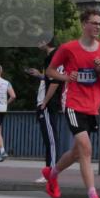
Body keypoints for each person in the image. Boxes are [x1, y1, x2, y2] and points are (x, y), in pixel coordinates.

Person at [42, 8, 100, 198]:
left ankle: (52, 174)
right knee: (86, 148)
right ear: (84, 24)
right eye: (94, 23)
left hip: (93, 106)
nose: (97, 27)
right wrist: (67, 78)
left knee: (77, 153)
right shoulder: (68, 48)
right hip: (73, 103)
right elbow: (50, 72)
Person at [27, 39, 62, 175]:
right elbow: (50, 79)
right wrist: (40, 75)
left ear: (47, 42)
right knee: (48, 139)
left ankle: (52, 172)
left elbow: (55, 81)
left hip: (47, 103)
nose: (37, 43)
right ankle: (49, 170)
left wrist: (45, 102)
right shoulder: (50, 57)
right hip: (44, 102)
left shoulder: (55, 57)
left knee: (51, 140)